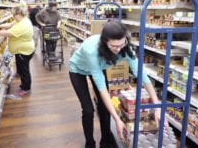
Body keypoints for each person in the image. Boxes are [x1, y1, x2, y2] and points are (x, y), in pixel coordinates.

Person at [69, 20, 168, 148]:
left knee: (104, 107)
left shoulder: (126, 48)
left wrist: (157, 106)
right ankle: (90, 143)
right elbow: (102, 88)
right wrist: (117, 119)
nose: (118, 49)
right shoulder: (91, 51)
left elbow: (142, 75)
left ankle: (106, 141)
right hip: (78, 70)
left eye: (121, 44)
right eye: (114, 46)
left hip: (99, 67)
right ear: (105, 42)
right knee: (88, 110)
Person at [0, 5, 35, 97]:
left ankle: (26, 88)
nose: (13, 16)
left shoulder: (23, 25)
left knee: (24, 71)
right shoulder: (21, 20)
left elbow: (8, 33)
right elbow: (9, 25)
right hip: (21, 51)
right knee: (21, 69)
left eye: (14, 14)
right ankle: (24, 85)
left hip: (24, 52)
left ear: (19, 14)